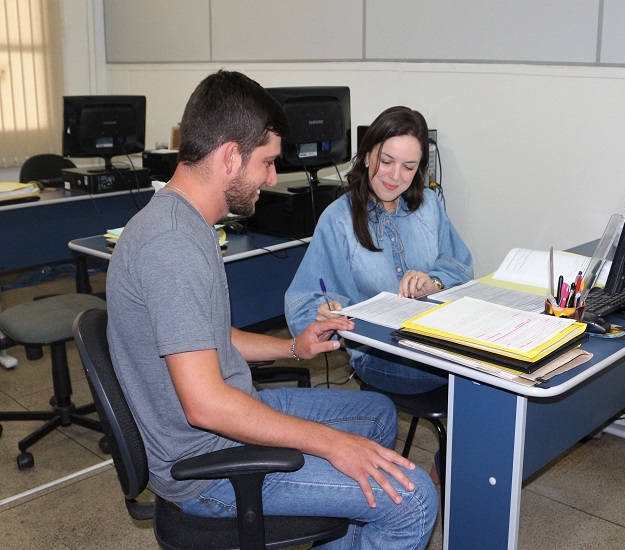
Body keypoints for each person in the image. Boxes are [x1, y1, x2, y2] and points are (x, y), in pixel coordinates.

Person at [106, 71, 437, 549]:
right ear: (230, 157)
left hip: (228, 416)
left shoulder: (186, 220)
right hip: (207, 468)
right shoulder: (172, 244)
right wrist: (330, 445)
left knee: (377, 414)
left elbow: (211, 335)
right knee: (415, 500)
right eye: (266, 162)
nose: (272, 177)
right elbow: (205, 404)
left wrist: (293, 347)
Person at [285, 106, 474, 396]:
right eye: (386, 161)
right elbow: (303, 299)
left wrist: (433, 283)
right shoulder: (338, 220)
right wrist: (320, 311)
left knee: (483, 362)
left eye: (409, 167)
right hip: (379, 356)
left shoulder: (429, 206)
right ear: (367, 155)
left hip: (433, 337)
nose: (395, 176)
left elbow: (459, 266)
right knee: (472, 370)